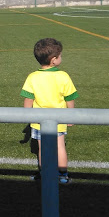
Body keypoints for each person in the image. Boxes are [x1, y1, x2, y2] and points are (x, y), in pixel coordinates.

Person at [21, 38, 79, 184]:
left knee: (42, 148)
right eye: (60, 55)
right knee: (59, 146)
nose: (61, 58)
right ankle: (62, 175)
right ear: (54, 60)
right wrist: (70, 117)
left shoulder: (32, 77)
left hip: (38, 120)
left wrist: (28, 116)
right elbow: (69, 99)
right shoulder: (63, 76)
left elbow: (28, 100)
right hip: (58, 120)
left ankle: (44, 173)